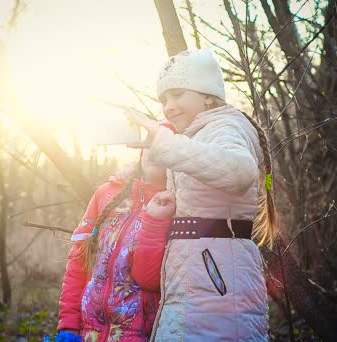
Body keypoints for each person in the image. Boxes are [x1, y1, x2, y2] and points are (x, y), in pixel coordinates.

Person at [124, 48, 277, 341]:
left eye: (178, 94)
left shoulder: (225, 126)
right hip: (197, 281)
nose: (169, 106)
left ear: (208, 95)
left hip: (216, 283)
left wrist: (167, 145)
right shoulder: (197, 136)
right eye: (164, 99)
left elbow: (240, 172)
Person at [56, 122, 177, 342]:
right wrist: (69, 324)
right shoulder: (107, 193)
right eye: (150, 143)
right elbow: (79, 262)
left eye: (164, 145)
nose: (154, 151)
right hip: (87, 331)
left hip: (143, 335)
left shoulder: (179, 206)